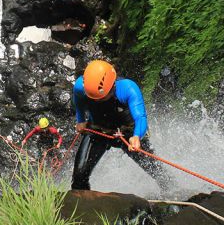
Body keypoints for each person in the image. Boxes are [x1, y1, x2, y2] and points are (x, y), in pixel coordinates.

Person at [71, 59, 170, 191]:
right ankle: (83, 204)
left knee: (157, 172)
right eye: (93, 99)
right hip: (98, 129)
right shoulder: (80, 87)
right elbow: (79, 101)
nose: (97, 101)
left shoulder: (128, 89)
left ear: (112, 86)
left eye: (101, 98)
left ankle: (172, 190)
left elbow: (140, 117)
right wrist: (80, 120)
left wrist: (137, 136)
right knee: (79, 176)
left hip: (128, 132)